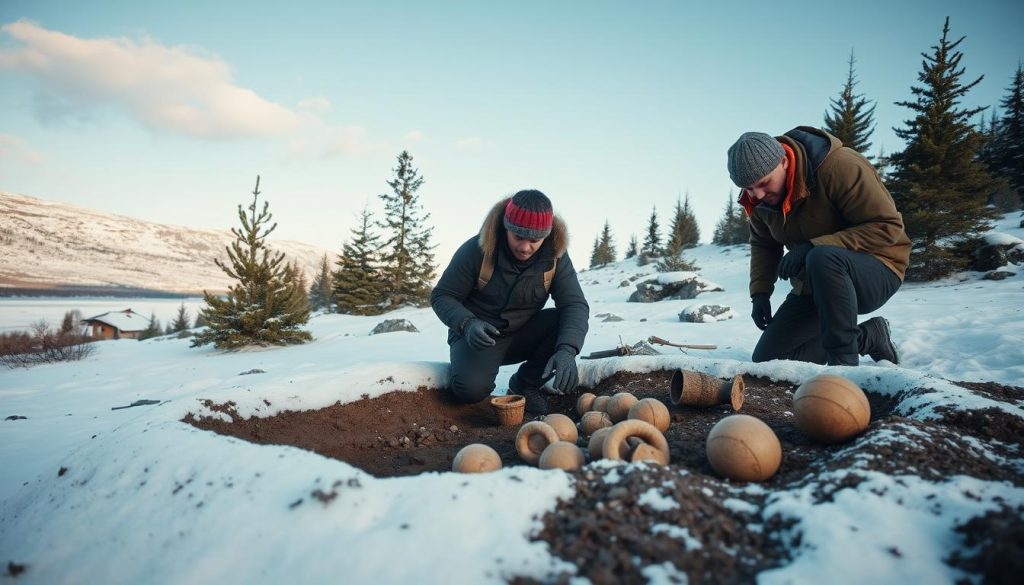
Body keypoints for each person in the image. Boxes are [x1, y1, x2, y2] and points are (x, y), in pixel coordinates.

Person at [726, 127, 911, 366]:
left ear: (783, 161)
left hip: (878, 269)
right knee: (770, 359)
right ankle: (869, 337)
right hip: (815, 282)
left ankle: (843, 365)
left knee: (822, 258)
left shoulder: (839, 167)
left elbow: (887, 227)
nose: (757, 195)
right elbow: (764, 244)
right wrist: (760, 293)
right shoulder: (757, 199)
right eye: (749, 188)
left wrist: (812, 247)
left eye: (763, 183)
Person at [431, 189, 589, 414]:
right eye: (518, 237)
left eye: (534, 240)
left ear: (546, 234)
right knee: (469, 391)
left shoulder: (556, 256)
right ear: (506, 227)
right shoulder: (476, 250)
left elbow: (574, 305)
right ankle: (475, 369)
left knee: (562, 323)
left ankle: (525, 384)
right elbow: (442, 295)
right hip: (477, 337)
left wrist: (567, 350)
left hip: (522, 334)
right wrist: (467, 324)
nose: (525, 247)